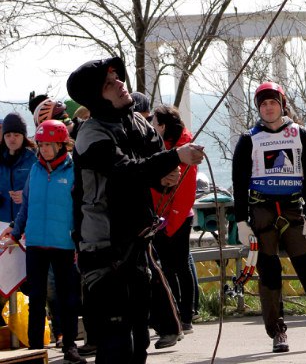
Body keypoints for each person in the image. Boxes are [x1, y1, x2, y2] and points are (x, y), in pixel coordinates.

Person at [66, 56, 204, 364]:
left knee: (139, 339)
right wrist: (174, 158)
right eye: (109, 83)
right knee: (116, 344)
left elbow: (154, 167)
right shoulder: (91, 135)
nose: (119, 85)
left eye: (118, 78)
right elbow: (127, 171)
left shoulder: (137, 123)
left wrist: (168, 180)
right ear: (95, 97)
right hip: (104, 249)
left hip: (138, 244)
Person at [232, 81, 306, 353]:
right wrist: (241, 221)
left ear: (282, 104)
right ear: (258, 108)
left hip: (292, 210)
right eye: (263, 104)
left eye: (273, 102)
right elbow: (239, 182)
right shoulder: (248, 138)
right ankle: (277, 331)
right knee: (270, 273)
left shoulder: (300, 135)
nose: (268, 108)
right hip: (262, 211)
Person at [0, 119, 85, 363]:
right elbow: (26, 205)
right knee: (36, 296)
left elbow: (80, 208)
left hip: (65, 244)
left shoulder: (73, 170)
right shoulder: (35, 170)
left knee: (67, 297)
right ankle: (34, 348)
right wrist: (15, 231)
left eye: (48, 144)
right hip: (36, 243)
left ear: (61, 145)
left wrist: (80, 240)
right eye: (40, 144)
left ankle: (70, 345)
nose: (43, 149)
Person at [150, 104, 197, 348]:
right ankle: (175, 314)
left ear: (164, 125)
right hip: (160, 218)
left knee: (179, 266)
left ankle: (186, 316)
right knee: (167, 269)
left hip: (178, 217)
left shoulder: (184, 148)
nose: (151, 126)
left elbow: (186, 190)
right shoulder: (161, 147)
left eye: (155, 122)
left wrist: (173, 219)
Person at [0, 113, 36, 226]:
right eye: (8, 135)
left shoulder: (35, 158)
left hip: (26, 222)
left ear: (23, 136)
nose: (12, 139)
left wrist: (27, 195)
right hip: (2, 221)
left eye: (16, 135)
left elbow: (47, 188)